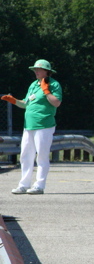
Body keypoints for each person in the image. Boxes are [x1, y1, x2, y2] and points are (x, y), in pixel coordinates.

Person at [1, 59, 63, 194]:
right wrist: (14, 101)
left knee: (42, 155)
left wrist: (46, 91)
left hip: (44, 125)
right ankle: (24, 185)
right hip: (29, 126)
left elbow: (56, 103)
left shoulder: (54, 84)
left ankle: (39, 186)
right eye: (35, 69)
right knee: (25, 155)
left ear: (47, 71)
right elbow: (26, 104)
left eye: (39, 69)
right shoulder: (33, 85)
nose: (36, 71)